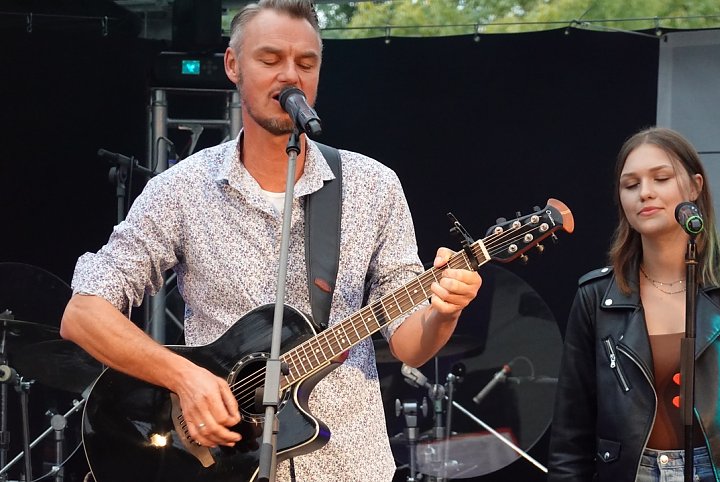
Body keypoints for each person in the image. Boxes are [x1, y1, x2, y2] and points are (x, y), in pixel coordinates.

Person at [60, 1, 482, 481]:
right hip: (215, 463)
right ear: (233, 66)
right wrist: (185, 377)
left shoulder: (374, 186)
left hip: (348, 464)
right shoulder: (180, 190)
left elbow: (410, 345)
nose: (290, 76)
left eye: (306, 63)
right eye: (270, 59)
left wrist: (444, 312)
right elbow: (84, 314)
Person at [546, 127, 720, 481]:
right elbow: (571, 431)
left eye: (660, 178)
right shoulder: (596, 295)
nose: (645, 193)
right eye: (630, 185)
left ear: (694, 187)